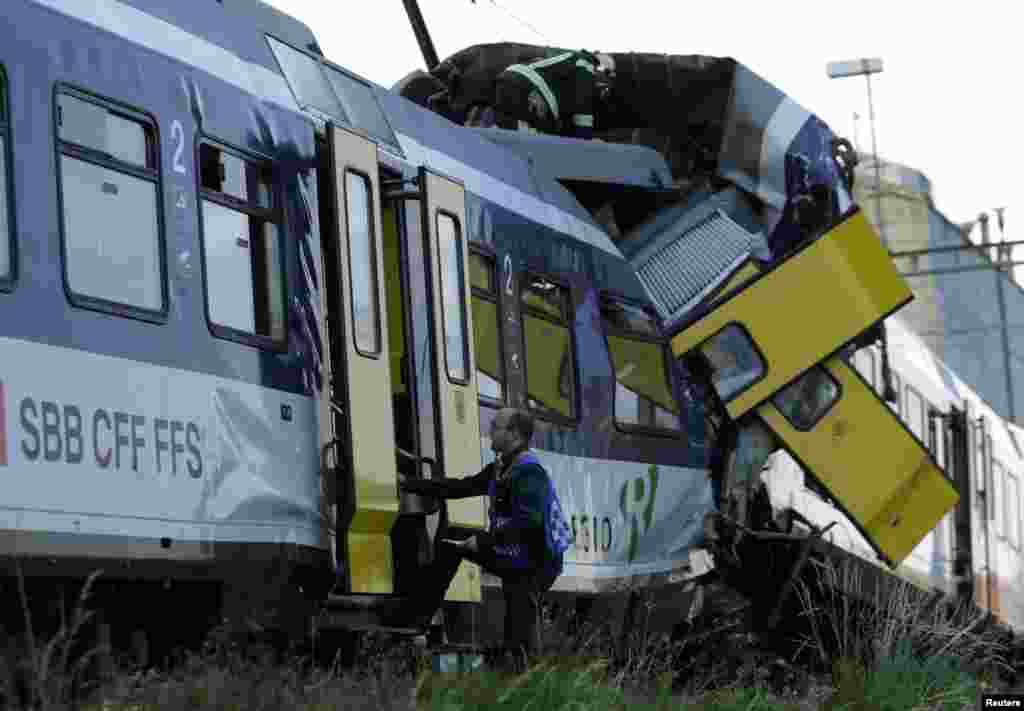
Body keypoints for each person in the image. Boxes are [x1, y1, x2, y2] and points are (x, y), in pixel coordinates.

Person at [394, 407, 564, 664]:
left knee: (519, 632)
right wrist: (408, 483)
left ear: (514, 434)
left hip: (535, 563)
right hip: (511, 552)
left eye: (495, 426)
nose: (490, 431)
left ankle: (523, 673)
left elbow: (528, 524)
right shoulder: (500, 469)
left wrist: (484, 542)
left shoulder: (529, 473)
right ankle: (417, 620)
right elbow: (460, 487)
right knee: (453, 540)